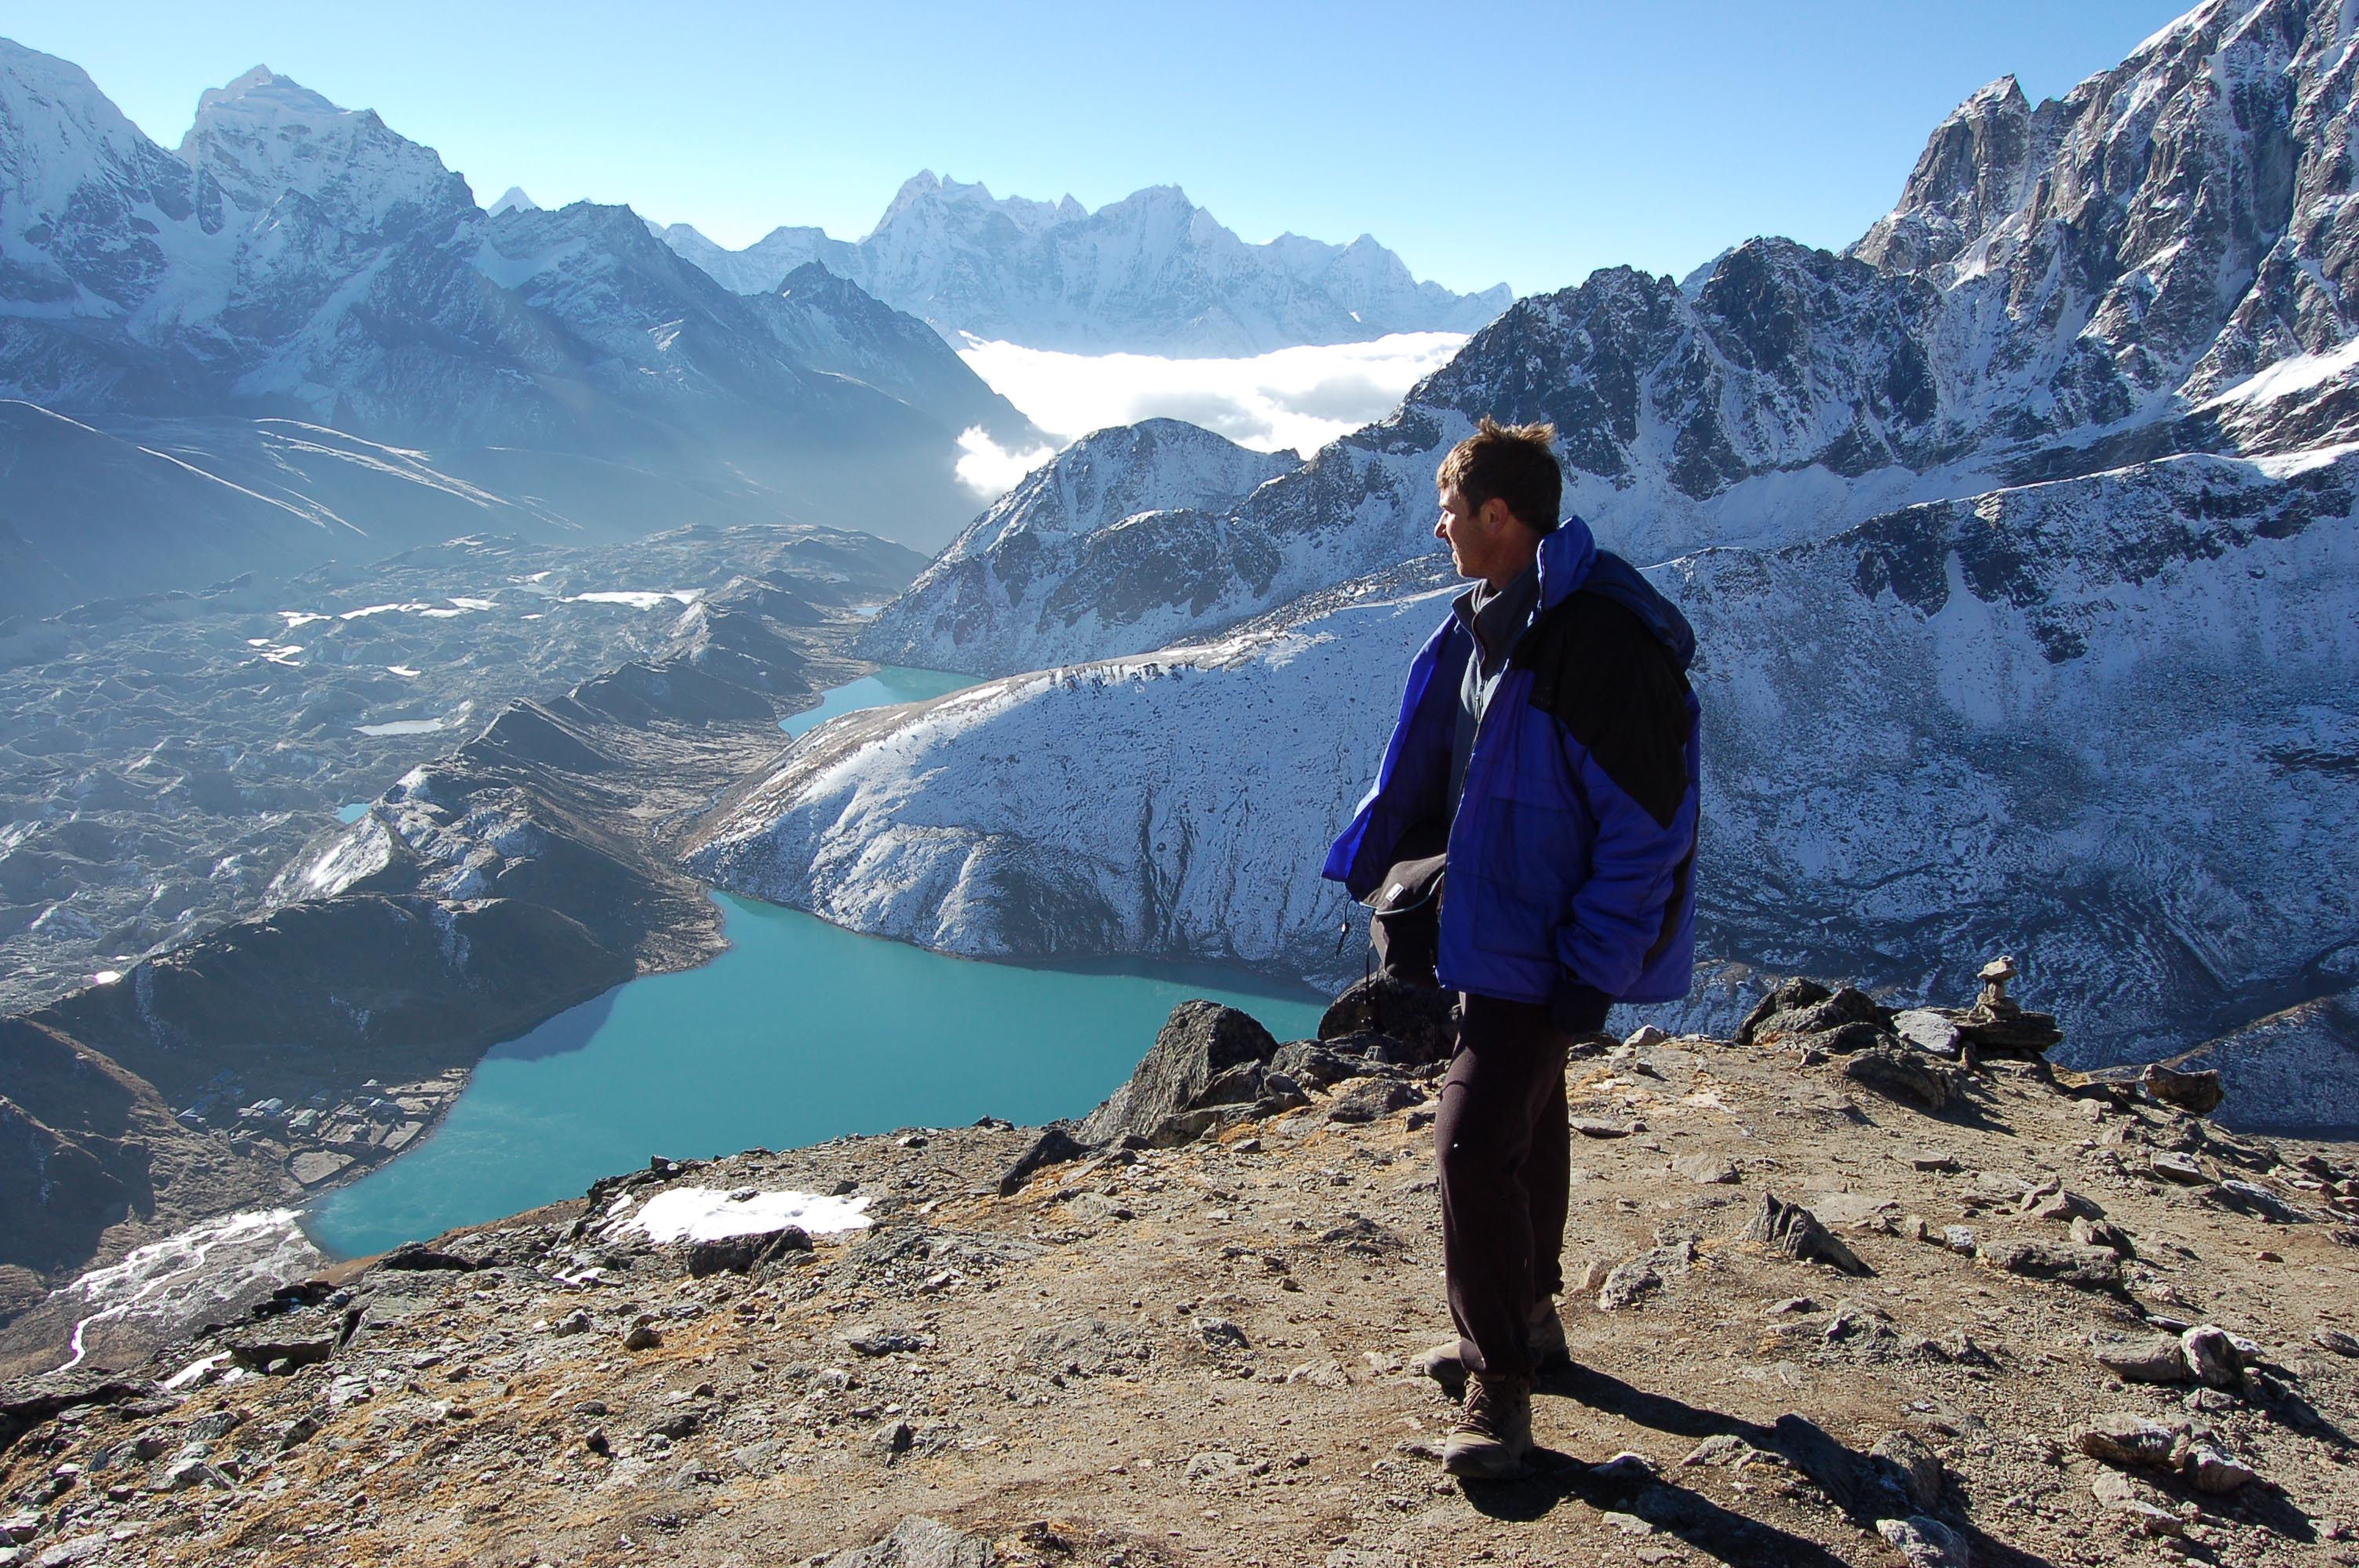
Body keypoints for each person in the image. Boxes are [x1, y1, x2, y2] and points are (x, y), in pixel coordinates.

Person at [1321, 417, 1700, 1480]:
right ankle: (1530, 1324)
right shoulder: (1497, 621)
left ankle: (1502, 1395)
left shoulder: (1592, 640)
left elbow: (1647, 831)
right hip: (1503, 941)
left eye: (1449, 511)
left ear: (1499, 517)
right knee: (1529, 1126)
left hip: (1546, 950)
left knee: (1470, 1149)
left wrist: (1593, 962)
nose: (1438, 529)